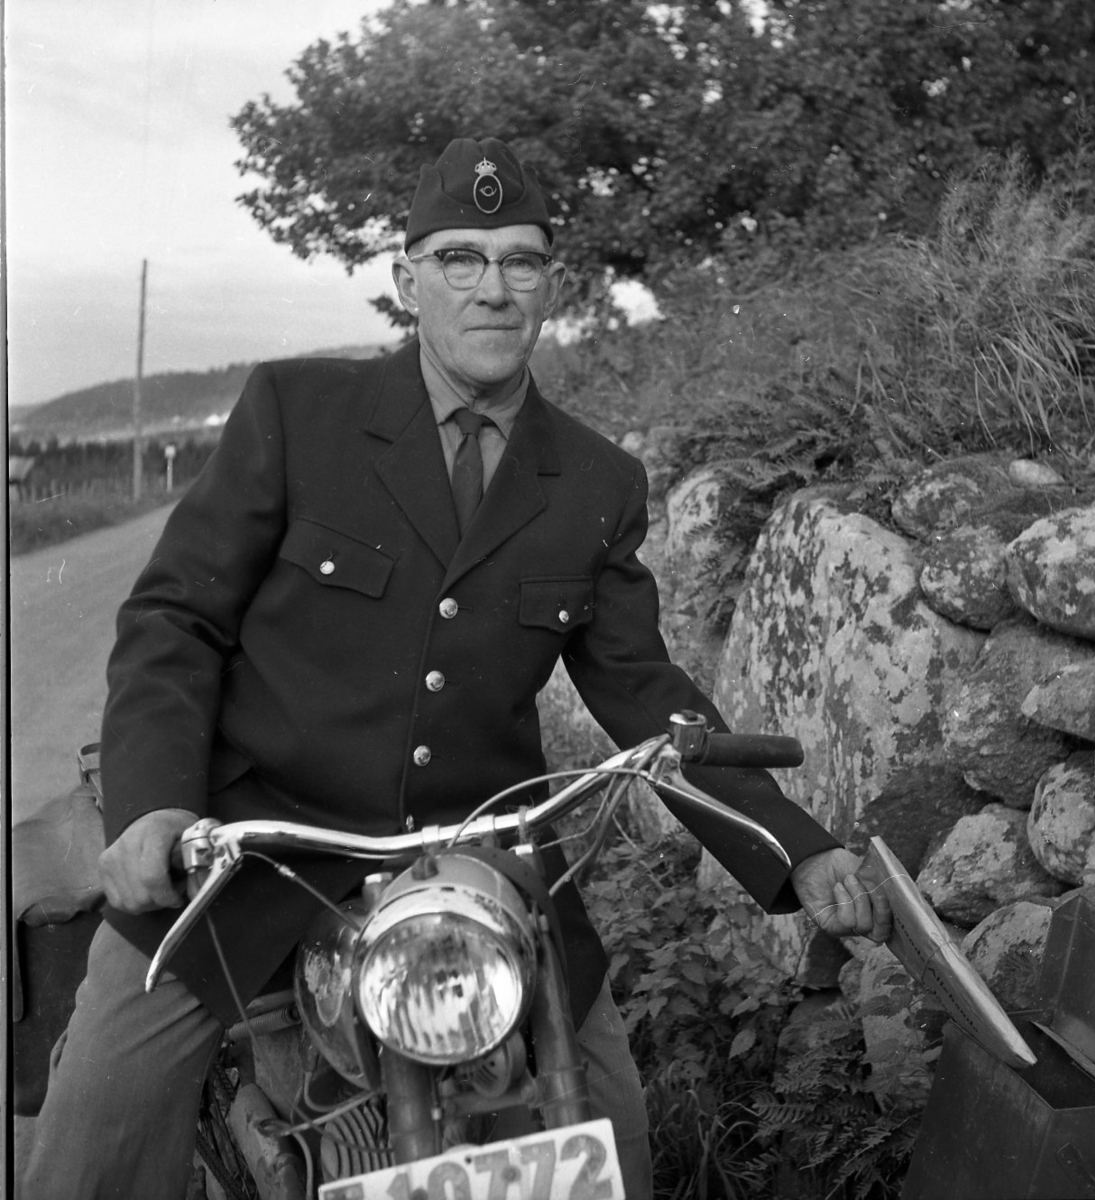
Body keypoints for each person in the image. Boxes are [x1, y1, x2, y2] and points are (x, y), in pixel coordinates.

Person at [24, 137, 891, 1200]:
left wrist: (795, 846)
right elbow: (176, 619)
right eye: (461, 259)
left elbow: (643, 689)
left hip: (483, 861)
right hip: (251, 853)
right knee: (98, 1133)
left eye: (521, 261)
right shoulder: (299, 413)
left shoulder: (597, 480)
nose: (493, 288)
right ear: (408, 281)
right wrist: (154, 808)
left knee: (610, 1136)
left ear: (550, 286)